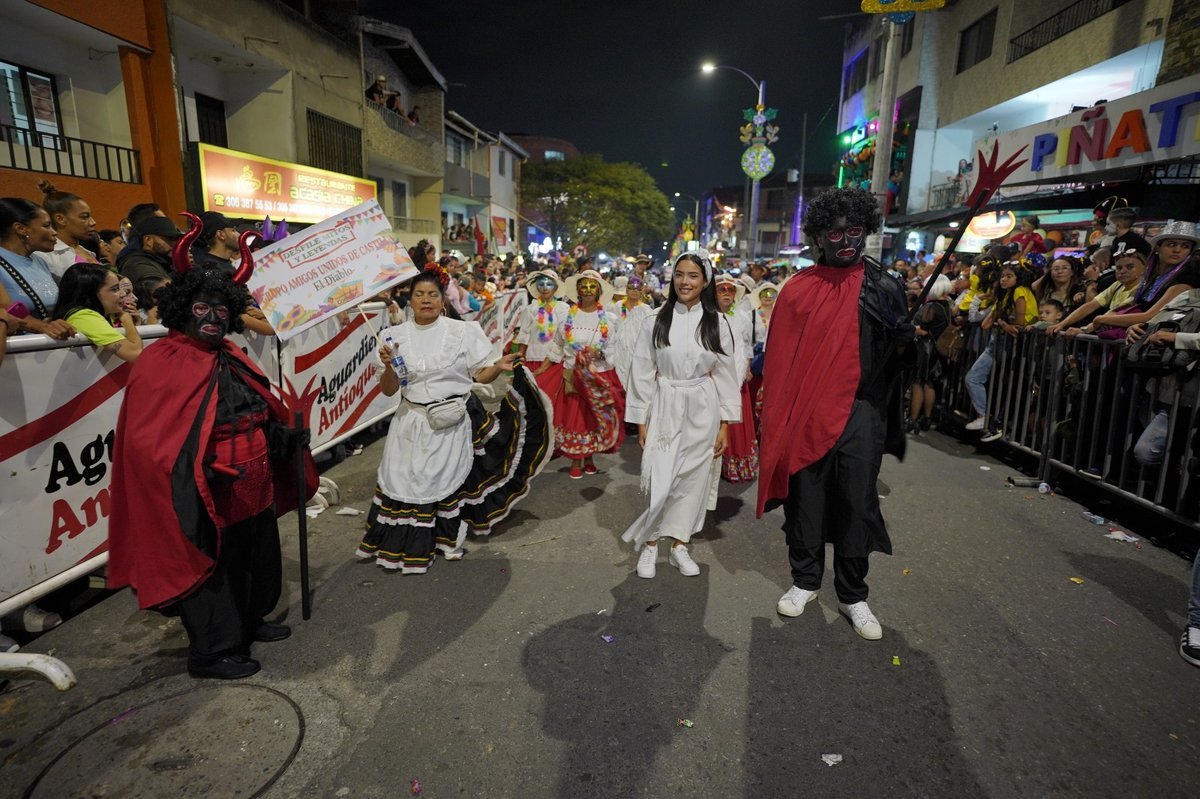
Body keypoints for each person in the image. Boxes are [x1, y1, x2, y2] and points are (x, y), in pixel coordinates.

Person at [107, 263, 317, 680]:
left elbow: (256, 406)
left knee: (255, 551)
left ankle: (249, 621)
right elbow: (148, 443)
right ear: (182, 308)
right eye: (202, 308)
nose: (213, 318)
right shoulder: (162, 361)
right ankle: (212, 651)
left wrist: (280, 436)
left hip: (254, 479)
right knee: (212, 564)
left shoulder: (229, 354)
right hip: (209, 490)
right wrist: (197, 467)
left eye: (222, 310)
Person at [757, 186, 913, 640]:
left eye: (855, 230)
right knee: (806, 496)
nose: (846, 240)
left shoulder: (885, 287)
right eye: (835, 232)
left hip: (861, 413)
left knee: (856, 501)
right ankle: (805, 580)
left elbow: (901, 369)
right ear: (819, 237)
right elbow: (781, 362)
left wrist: (906, 345)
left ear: (867, 231)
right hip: (807, 412)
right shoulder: (798, 289)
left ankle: (853, 594)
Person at [357, 265, 552, 572]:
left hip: (451, 421)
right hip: (410, 421)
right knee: (407, 480)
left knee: (440, 480)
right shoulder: (391, 337)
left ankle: (444, 539)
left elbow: (480, 374)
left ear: (442, 299)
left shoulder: (463, 332)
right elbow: (389, 389)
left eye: (432, 294)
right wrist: (390, 366)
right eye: (419, 294)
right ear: (410, 299)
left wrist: (498, 366)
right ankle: (404, 543)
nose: (426, 300)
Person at [622, 250, 741, 578]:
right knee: (661, 478)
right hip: (665, 404)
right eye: (679, 274)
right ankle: (649, 543)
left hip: (704, 406)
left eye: (692, 276)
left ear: (705, 281)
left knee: (692, 480)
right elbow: (641, 371)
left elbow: (726, 374)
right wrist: (641, 420)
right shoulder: (655, 320)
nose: (684, 282)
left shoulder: (718, 322)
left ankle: (679, 544)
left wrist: (725, 424)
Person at [553, 269, 625, 478]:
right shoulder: (567, 316)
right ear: (577, 290)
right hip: (574, 375)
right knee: (576, 418)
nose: (587, 290)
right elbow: (557, 345)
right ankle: (576, 459)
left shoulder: (609, 319)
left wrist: (599, 352)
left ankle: (590, 457)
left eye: (592, 286)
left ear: (599, 290)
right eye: (583, 286)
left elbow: (614, 347)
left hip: (598, 374)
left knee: (595, 418)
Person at [964, 260, 1037, 440]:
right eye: (1003, 276)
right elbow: (985, 324)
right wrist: (986, 306)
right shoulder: (1004, 296)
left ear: (1018, 278)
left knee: (1009, 388)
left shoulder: (1020, 291)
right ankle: (985, 417)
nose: (1004, 279)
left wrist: (1003, 323)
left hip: (1016, 347)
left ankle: (996, 424)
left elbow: (1018, 327)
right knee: (973, 378)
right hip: (997, 344)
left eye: (1009, 276)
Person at [1088, 220, 1199, 333]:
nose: (1177, 250)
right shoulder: (1152, 276)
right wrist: (1088, 328)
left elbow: (1150, 316)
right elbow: (1133, 308)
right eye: (1172, 244)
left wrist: (1102, 319)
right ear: (1157, 247)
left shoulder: (1185, 281)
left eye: (1185, 246)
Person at [0, 198, 74, 339]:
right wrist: (41, 326)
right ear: (21, 229)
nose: (54, 232)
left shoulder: (39, 261)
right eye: (46, 226)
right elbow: (5, 311)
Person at [715, 272, 757, 483]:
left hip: (737, 377)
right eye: (721, 289)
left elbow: (747, 345)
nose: (726, 293)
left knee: (737, 422)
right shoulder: (707, 316)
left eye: (730, 290)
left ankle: (738, 464)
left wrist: (747, 367)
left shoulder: (741, 318)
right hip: (715, 379)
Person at [53, 263, 142, 362]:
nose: (123, 294)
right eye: (115, 289)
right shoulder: (84, 317)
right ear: (90, 293)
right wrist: (127, 320)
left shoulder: (104, 314)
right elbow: (136, 353)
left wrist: (135, 323)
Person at [1048, 250, 1147, 337]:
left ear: (1144, 269)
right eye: (1119, 268)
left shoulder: (1143, 288)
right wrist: (1061, 324)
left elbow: (1112, 314)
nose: (1123, 271)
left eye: (1130, 267)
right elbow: (1090, 305)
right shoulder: (1118, 285)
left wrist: (1084, 330)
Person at [516, 269, 568, 406]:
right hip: (532, 360)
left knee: (550, 401)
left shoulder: (563, 308)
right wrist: (520, 358)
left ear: (555, 288)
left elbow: (564, 336)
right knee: (532, 402)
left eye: (549, 284)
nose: (545, 288)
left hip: (554, 362)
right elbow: (524, 334)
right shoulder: (530, 309)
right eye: (541, 284)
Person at [908, 275, 953, 433]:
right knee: (929, 384)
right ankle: (926, 418)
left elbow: (923, 330)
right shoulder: (947, 306)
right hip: (936, 350)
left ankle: (913, 419)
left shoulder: (931, 306)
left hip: (926, 350)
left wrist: (908, 327)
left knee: (918, 383)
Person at [32, 180, 100, 277]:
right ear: (60, 219)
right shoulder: (45, 256)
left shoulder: (88, 252)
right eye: (84, 217)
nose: (93, 222)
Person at [118, 216, 184, 285]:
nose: (175, 243)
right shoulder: (137, 265)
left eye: (176, 239)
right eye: (170, 238)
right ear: (148, 240)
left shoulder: (159, 260)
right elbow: (165, 290)